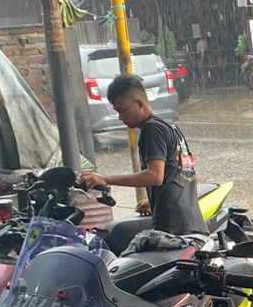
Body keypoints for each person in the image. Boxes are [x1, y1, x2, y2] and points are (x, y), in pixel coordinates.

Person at [81, 72, 205, 236]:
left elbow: (155, 176)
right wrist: (156, 201)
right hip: (189, 221)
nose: (120, 117)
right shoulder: (169, 127)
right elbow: (188, 174)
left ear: (139, 103)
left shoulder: (151, 129)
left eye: (122, 110)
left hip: (174, 226)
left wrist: (105, 179)